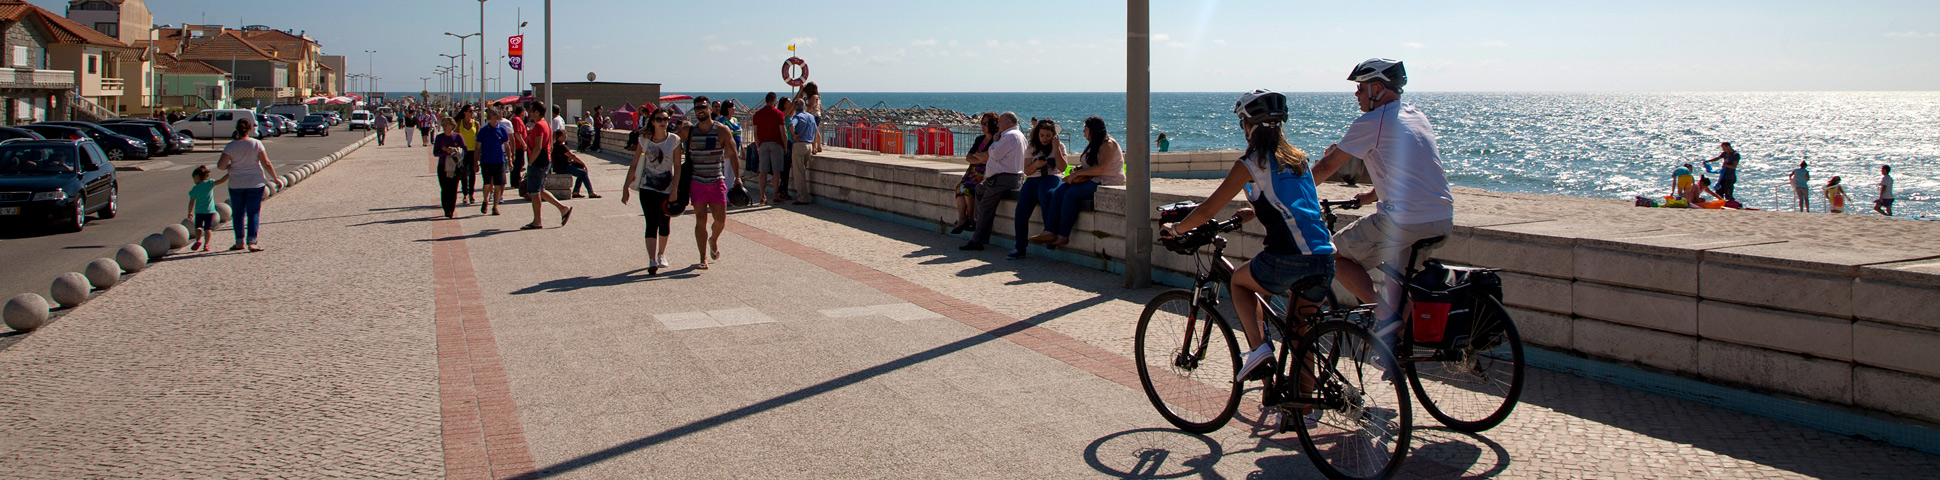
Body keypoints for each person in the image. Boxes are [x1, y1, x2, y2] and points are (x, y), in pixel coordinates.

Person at [1161, 88, 1336, 385]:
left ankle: (1258, 350)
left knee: (1239, 281)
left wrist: (1176, 229)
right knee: (1300, 332)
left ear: (1248, 126)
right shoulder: (1299, 160)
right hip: (1325, 257)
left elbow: (1207, 210)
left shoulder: (1250, 163)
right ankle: (1303, 411)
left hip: (1288, 257)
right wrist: (1252, 212)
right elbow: (1298, 203)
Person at [1310, 59, 1455, 346]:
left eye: (1360, 88)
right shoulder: (1416, 116)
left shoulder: (1371, 122)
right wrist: (1371, 195)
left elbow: (1327, 167)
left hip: (1404, 221)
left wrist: (1293, 194)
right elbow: (1407, 170)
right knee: (1397, 285)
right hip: (1441, 217)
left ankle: (1383, 316)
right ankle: (1400, 350)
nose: (1357, 95)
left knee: (1333, 256)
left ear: (1377, 88)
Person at [1030, 116, 1124, 251]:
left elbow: (1102, 168)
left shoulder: (1108, 144)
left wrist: (1077, 174)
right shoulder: (1094, 143)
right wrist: (1079, 169)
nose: (1083, 132)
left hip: (1107, 181)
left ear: (1093, 130)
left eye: (1085, 129)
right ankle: (1049, 231)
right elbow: (1091, 165)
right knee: (1060, 191)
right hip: (1092, 178)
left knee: (1071, 194)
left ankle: (1063, 235)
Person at [622, 110, 682, 275]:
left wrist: (675, 189)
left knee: (664, 223)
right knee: (651, 222)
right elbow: (634, 164)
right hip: (647, 187)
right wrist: (625, 188)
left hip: (667, 188)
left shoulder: (674, 140)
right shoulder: (644, 141)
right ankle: (652, 259)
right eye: (659, 119)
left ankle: (661, 254)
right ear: (653, 122)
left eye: (666, 119)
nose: (663, 121)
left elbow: (677, 167)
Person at [680, 100, 739, 268]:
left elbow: (733, 154)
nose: (700, 110)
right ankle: (703, 257)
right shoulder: (689, 131)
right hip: (697, 181)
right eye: (697, 108)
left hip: (717, 180)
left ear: (709, 109)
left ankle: (713, 239)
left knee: (720, 220)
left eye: (703, 107)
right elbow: (670, 141)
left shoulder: (722, 130)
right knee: (700, 219)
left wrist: (737, 178)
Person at [961, 112, 1027, 251]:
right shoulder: (1017, 135)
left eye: (1000, 122)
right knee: (979, 189)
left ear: (1008, 122)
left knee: (985, 207)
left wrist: (994, 143)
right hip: (1003, 177)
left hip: (1003, 178)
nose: (998, 125)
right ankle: (980, 226)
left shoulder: (1010, 136)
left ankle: (977, 240)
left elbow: (994, 154)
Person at [216, 118, 281, 252]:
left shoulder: (231, 146)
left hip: (236, 183)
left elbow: (220, 166)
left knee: (238, 213)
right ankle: (252, 242)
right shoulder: (256, 144)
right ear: (250, 129)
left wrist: (231, 165)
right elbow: (266, 163)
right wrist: (275, 178)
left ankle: (239, 241)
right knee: (253, 213)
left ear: (237, 129)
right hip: (255, 183)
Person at [1010, 118, 1068, 259]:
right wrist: (1036, 165)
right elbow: (1027, 171)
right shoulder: (1031, 147)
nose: (1045, 139)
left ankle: (1049, 236)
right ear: (1037, 134)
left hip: (1052, 177)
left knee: (1047, 195)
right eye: (1042, 135)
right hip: (1033, 178)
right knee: (1021, 209)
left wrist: (1056, 148)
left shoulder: (1059, 146)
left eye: (1048, 136)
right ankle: (1020, 247)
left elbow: (1063, 167)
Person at [520, 102, 573, 229]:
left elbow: (538, 146)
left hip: (538, 162)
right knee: (541, 190)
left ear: (537, 112)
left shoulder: (538, 125)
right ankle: (563, 209)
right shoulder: (547, 125)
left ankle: (537, 221)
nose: (530, 113)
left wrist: (531, 162)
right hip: (545, 161)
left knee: (534, 192)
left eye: (532, 111)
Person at [951, 113, 997, 235]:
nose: (983, 126)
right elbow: (969, 157)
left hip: (984, 172)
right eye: (982, 123)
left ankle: (970, 218)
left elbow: (990, 158)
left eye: (986, 123)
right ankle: (962, 218)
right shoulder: (979, 139)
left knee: (968, 189)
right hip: (972, 171)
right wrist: (980, 158)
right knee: (959, 188)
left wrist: (978, 157)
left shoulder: (995, 140)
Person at [750, 92, 788, 205]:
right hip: (776, 144)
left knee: (763, 171)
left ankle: (762, 196)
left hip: (763, 144)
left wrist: (757, 145)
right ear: (774, 100)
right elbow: (783, 132)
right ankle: (775, 196)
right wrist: (785, 146)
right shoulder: (778, 113)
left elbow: (755, 133)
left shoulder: (757, 114)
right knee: (776, 172)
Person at [475, 107, 513, 215]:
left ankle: (495, 206)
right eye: (488, 115)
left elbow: (507, 146)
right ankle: (485, 200)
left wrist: (509, 160)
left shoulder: (502, 130)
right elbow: (478, 147)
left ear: (496, 117)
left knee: (498, 185)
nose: (488, 117)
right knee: (487, 183)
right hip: (486, 160)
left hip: (499, 161)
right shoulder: (483, 131)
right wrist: (475, 161)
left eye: (491, 115)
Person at [185, 166, 228, 252]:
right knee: (208, 228)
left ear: (197, 177)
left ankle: (198, 240)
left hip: (199, 212)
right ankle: (206, 245)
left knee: (198, 227)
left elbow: (191, 202)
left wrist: (190, 212)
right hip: (209, 211)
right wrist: (229, 174)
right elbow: (221, 180)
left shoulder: (195, 188)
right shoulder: (209, 184)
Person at [788, 96, 821, 204]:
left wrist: (793, 135)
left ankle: (802, 198)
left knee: (799, 173)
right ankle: (805, 195)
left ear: (795, 107)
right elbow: (816, 132)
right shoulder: (811, 116)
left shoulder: (797, 116)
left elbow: (791, 125)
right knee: (804, 170)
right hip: (809, 145)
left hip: (799, 145)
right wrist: (815, 146)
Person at [433, 118, 468, 218]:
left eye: (446, 124)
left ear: (452, 125)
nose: (444, 127)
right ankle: (446, 208)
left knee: (453, 189)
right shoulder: (439, 138)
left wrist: (455, 151)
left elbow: (465, 150)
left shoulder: (457, 137)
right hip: (443, 166)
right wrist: (445, 152)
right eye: (443, 125)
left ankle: (451, 210)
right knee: (444, 188)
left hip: (454, 167)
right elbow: (435, 153)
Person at [456, 105, 481, 205]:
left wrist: (478, 155)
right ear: (465, 112)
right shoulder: (460, 123)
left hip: (473, 151)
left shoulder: (476, 124)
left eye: (473, 111)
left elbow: (479, 140)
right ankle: (465, 194)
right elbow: (456, 137)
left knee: (472, 173)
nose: (472, 113)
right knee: (463, 174)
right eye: (470, 111)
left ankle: (471, 194)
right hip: (463, 152)